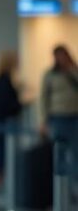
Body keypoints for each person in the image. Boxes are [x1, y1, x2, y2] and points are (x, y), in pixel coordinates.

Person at [0, 50, 23, 182]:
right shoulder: (5, 81)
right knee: (1, 157)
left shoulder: (0, 79)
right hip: (3, 124)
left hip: (0, 123)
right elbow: (6, 104)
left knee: (1, 156)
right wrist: (20, 103)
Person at [41, 45, 78, 178]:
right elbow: (44, 98)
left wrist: (71, 70)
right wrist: (44, 120)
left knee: (76, 152)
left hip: (74, 116)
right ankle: (59, 187)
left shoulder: (74, 71)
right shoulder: (50, 75)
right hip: (58, 117)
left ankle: (74, 186)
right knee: (59, 152)